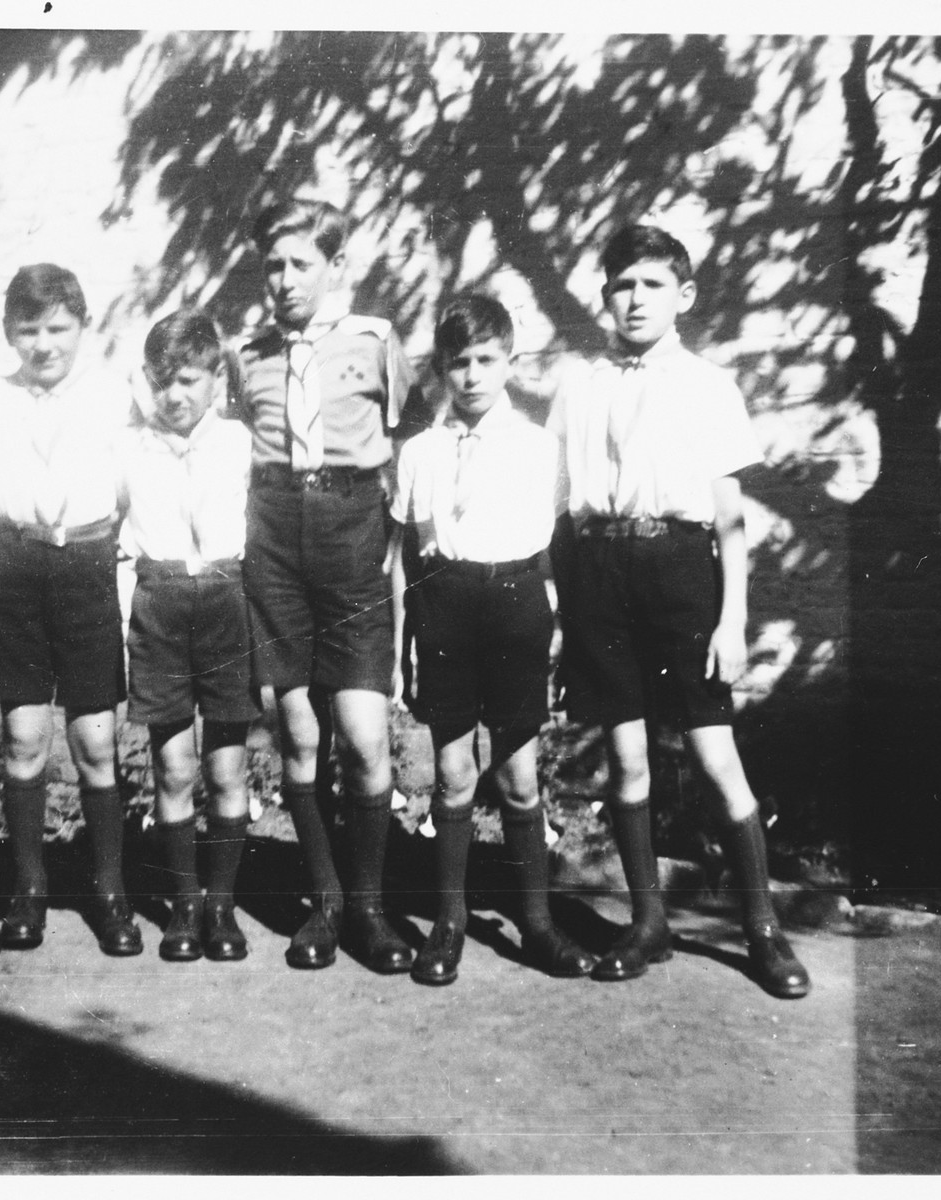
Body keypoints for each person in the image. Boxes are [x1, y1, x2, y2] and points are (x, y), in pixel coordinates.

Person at [548, 224, 811, 999]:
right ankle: (647, 920)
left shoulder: (708, 385)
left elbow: (730, 519)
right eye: (622, 284)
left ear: (683, 297)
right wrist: (564, 605)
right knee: (627, 761)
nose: (635, 299)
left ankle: (763, 931)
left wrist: (732, 621)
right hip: (599, 573)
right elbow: (562, 505)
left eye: (652, 284)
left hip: (679, 572)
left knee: (713, 757)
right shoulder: (581, 383)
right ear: (604, 294)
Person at [234, 198, 425, 972]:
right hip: (275, 533)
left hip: (353, 528)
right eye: (272, 266)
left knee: (365, 736)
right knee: (300, 734)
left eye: (299, 264)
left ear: (337, 267)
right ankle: (326, 904)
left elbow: (413, 444)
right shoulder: (246, 353)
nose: (283, 280)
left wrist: (397, 552)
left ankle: (372, 910)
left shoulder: (377, 343)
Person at [391, 294, 597, 986]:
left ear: (509, 361)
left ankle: (535, 923)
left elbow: (559, 552)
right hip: (446, 603)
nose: (473, 376)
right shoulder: (419, 452)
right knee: (451, 776)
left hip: (514, 605)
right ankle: (448, 924)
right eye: (459, 363)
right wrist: (404, 645)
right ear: (442, 370)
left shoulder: (540, 449)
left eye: (486, 360)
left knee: (516, 774)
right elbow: (408, 561)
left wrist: (566, 631)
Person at [0, 263, 140, 957]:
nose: (43, 343)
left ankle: (110, 890)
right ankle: (29, 889)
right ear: (9, 332)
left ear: (82, 326)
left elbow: (138, 490)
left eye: (57, 327)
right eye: (28, 329)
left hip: (87, 564)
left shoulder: (114, 397)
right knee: (22, 739)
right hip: (15, 566)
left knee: (96, 740)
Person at [117, 310, 257, 963]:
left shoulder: (240, 443)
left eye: (190, 379)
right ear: (149, 381)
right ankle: (184, 903)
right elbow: (110, 539)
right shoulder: (130, 449)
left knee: (228, 765)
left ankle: (223, 905)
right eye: (164, 381)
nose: (176, 395)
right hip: (161, 601)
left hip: (227, 597)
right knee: (173, 764)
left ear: (214, 379)